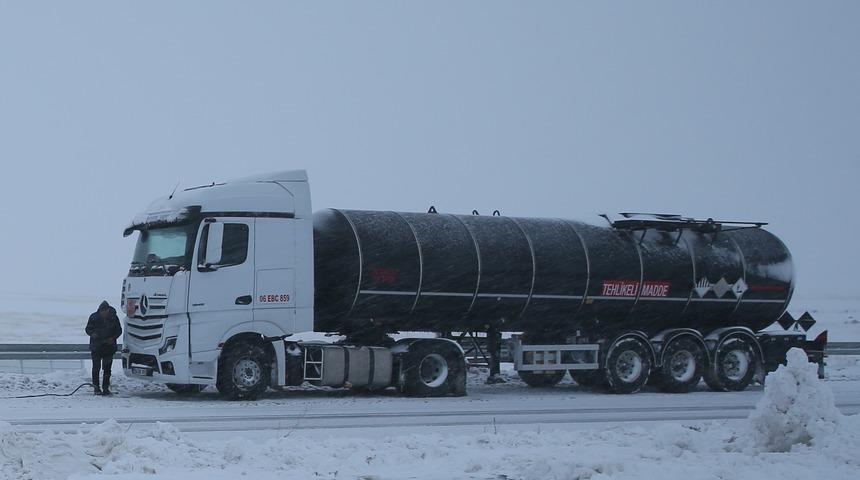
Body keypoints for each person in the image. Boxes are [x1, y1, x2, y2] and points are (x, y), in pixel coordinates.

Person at [85, 301, 122, 395]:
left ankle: (106, 389)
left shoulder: (114, 318)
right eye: (102, 311)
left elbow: (119, 331)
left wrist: (112, 338)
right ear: (99, 310)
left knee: (107, 369)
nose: (103, 312)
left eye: (105, 310)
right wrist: (93, 334)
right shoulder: (93, 317)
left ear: (108, 309)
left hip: (109, 348)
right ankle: (96, 389)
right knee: (96, 368)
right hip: (96, 347)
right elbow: (88, 329)